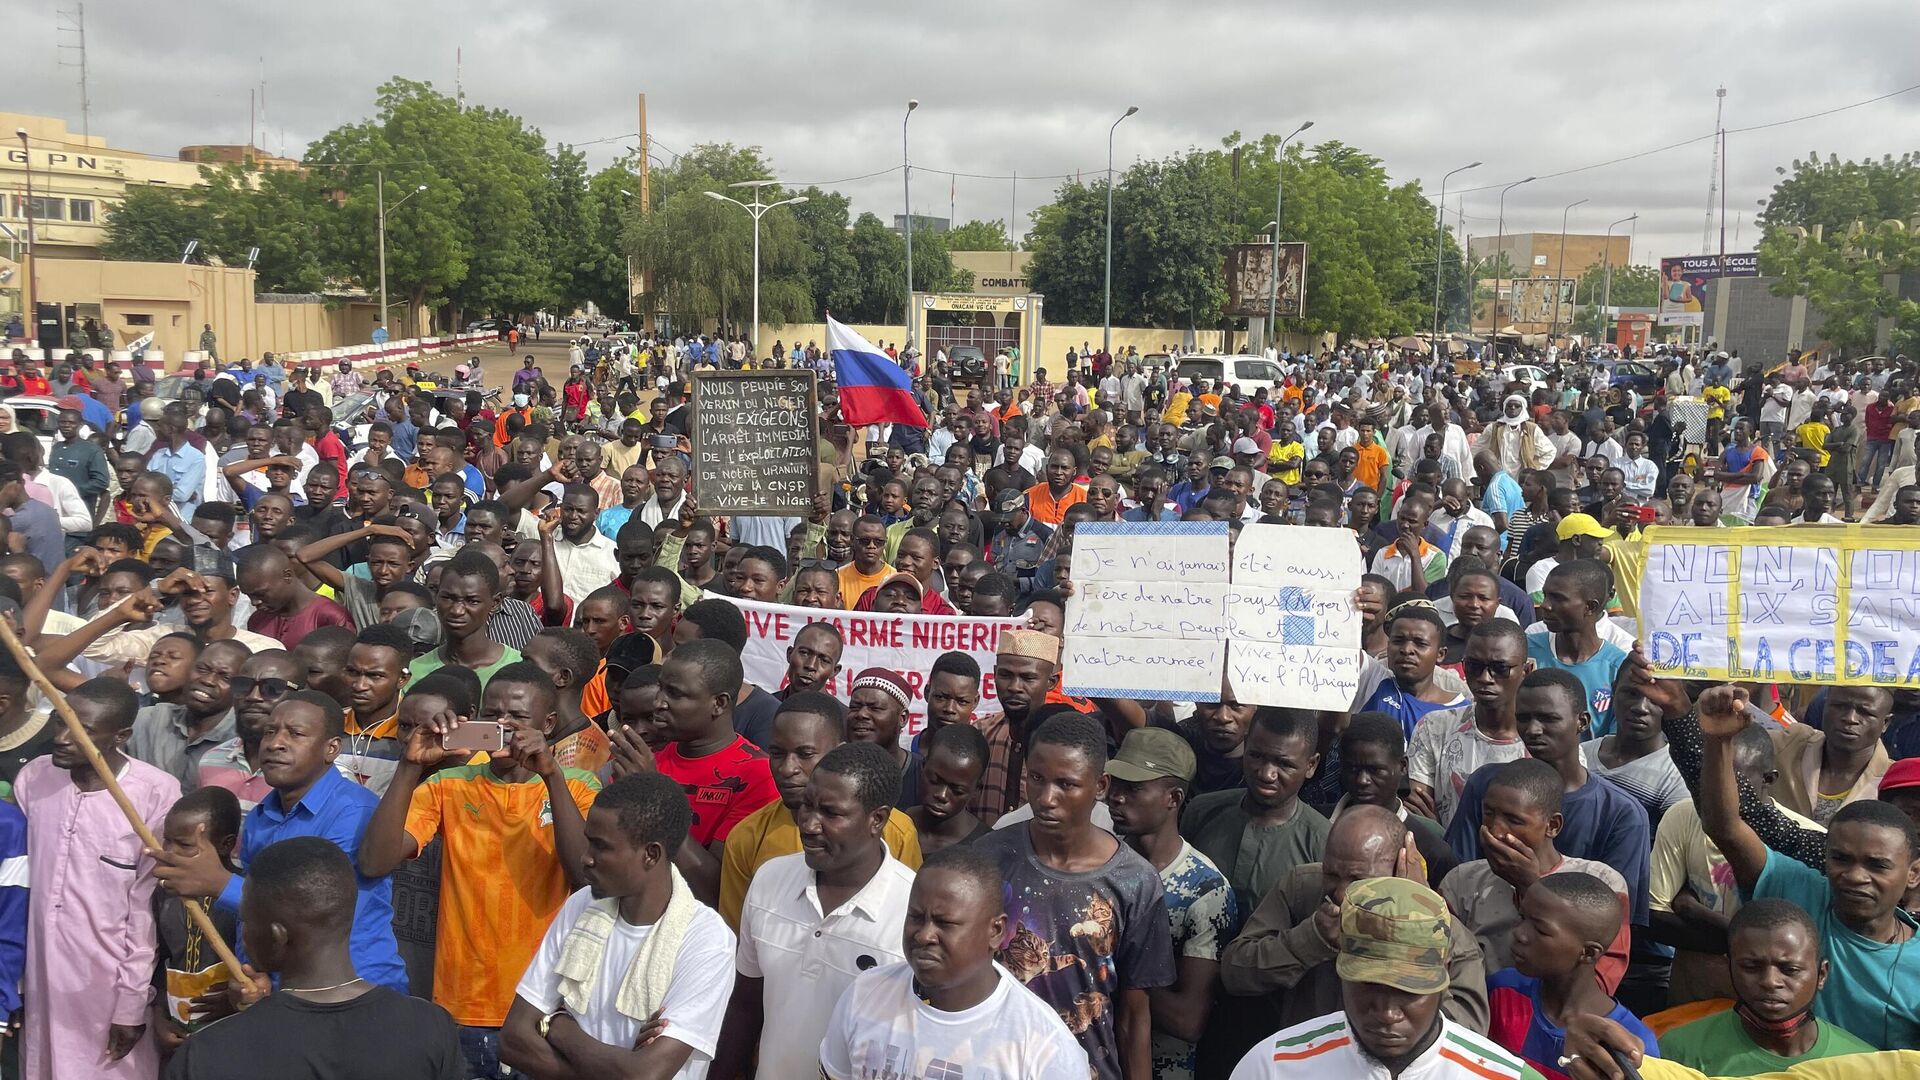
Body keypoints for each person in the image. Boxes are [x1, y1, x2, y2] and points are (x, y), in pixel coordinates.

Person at [357, 661, 599, 1074]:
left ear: (549, 723)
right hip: (460, 1003)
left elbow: (582, 872)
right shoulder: (449, 783)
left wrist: (551, 774)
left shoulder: (578, 785)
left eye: (518, 717)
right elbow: (374, 861)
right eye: (492, 714)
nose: (503, 724)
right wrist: (411, 765)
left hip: (543, 1007)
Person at [1687, 683, 1920, 1049]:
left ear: (1912, 874)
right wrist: (1719, 743)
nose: (1855, 876)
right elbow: (1725, 827)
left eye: (1877, 865)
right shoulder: (1799, 890)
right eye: (1840, 859)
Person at [151, 690, 409, 994]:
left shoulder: (355, 812)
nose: (275, 743)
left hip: (351, 991)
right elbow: (250, 923)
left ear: (331, 748)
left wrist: (220, 883)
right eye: (269, 732)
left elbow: (321, 915)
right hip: (282, 990)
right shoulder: (263, 814)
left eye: (295, 734)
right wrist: (251, 977)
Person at [159, 836, 464, 1080]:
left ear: (279, 937)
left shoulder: (209, 1054)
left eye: (246, 920)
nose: (244, 932)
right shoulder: (430, 1028)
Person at [973, 714, 1176, 1080]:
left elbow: (1134, 1015)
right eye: (1037, 778)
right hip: (991, 1065)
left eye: (1066, 784)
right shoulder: (989, 857)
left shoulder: (1134, 881)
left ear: (1100, 786)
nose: (1047, 798)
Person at [501, 771, 737, 1079]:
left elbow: (646, 1074)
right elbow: (513, 1040)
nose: (585, 858)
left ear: (651, 854)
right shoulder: (582, 905)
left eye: (601, 847)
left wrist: (557, 1026)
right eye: (589, 843)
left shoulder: (706, 939)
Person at [715, 741, 914, 1079]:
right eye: (807, 806)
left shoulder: (913, 910)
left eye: (831, 813)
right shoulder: (769, 879)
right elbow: (746, 1007)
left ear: (876, 819)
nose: (808, 824)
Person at [15, 677, 180, 1080]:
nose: (63, 737)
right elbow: (17, 887)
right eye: (60, 722)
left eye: (83, 730)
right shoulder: (34, 778)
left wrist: (129, 1004)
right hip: (38, 979)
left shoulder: (155, 794)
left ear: (120, 735)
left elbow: (145, 910)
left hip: (107, 986)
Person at [818, 844, 1091, 1079]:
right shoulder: (865, 995)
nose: (924, 935)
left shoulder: (1044, 1047)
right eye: (915, 917)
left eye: (945, 923)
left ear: (995, 932)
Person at [1228, 876, 1537, 1080]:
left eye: (1410, 990)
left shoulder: (1505, 1076)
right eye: (1369, 986)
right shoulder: (1272, 1067)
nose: (1388, 1013)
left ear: (1446, 970)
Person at [1221, 804, 1489, 1035]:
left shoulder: (1451, 937)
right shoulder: (1302, 889)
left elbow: (1465, 1035)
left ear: (1400, 868)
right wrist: (1309, 940)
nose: (1340, 893)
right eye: (1332, 874)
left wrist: (1417, 940)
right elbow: (1235, 973)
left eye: (1358, 880)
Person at [1446, 671, 1652, 934]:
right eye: (1523, 718)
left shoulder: (1622, 814)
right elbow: (1460, 876)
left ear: (1582, 722)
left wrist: (1531, 884)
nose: (1532, 730)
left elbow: (1612, 925)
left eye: (1548, 718)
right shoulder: (1487, 785)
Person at [715, 693, 923, 928]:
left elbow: (907, 918)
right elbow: (737, 936)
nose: (787, 768)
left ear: (838, 751)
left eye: (805, 754)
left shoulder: (896, 831)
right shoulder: (747, 836)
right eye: (777, 753)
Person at [1103, 727, 1240, 1080]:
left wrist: (1101, 966)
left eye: (1133, 789)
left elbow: (1188, 1019)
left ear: (1173, 797)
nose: (1116, 798)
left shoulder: (1205, 890)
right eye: (1115, 785)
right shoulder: (1098, 866)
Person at [1653, 897, 1877, 1075]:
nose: (1770, 981)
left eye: (1790, 970)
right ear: (1729, 967)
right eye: (1751, 967)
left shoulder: (1865, 1065)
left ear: (1822, 974)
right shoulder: (1679, 1051)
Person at [1486, 871, 1657, 1078]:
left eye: (1541, 930)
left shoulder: (1629, 1040)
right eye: (1522, 918)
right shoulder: (1502, 990)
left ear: (1588, 953)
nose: (1520, 934)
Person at [1180, 706, 1332, 913]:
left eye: (1284, 764)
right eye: (1256, 756)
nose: (1266, 773)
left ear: (1311, 765)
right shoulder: (1201, 811)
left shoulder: (1324, 842)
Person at [1526, 560, 1629, 737]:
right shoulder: (1526, 650)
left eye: (1558, 598)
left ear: (1590, 607)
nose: (1545, 605)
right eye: (1546, 596)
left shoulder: (1618, 666)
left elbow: (1615, 742)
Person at [237, 545, 353, 648]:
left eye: (261, 594)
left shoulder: (331, 617)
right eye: (249, 595)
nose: (254, 602)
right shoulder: (257, 619)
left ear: (287, 576)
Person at [905, 720, 992, 853]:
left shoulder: (986, 848)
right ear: (923, 767)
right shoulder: (893, 827)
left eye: (957, 790)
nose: (941, 795)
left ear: (976, 790)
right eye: (934, 781)